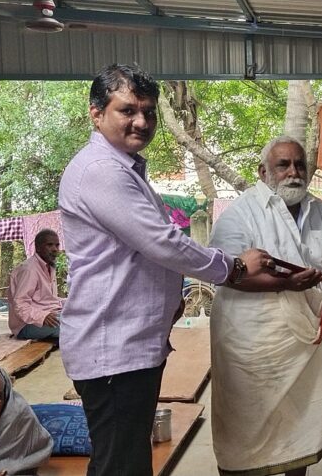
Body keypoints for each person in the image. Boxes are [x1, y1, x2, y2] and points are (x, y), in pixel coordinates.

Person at [57, 63, 274, 476]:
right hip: (114, 350)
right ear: (96, 113)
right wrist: (233, 267)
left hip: (130, 344)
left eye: (148, 111)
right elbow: (162, 243)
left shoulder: (123, 168)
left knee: (126, 460)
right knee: (122, 465)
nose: (141, 122)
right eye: (127, 110)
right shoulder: (101, 171)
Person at [208, 136, 322, 476]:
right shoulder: (240, 215)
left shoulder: (319, 209)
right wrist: (285, 284)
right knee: (246, 423)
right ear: (263, 172)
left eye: (300, 165)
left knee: (301, 420)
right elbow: (226, 275)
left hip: (307, 338)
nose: (294, 172)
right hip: (251, 340)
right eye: (283, 165)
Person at [7, 229, 63, 341]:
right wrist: (42, 316)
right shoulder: (29, 270)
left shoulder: (49, 266)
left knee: (82, 319)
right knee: (73, 327)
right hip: (26, 325)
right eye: (49, 245)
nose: (55, 249)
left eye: (57, 245)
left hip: (48, 315)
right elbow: (20, 304)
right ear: (38, 248)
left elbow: (47, 300)